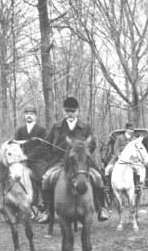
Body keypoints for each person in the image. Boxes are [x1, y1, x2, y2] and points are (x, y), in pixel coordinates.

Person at [41, 96, 108, 224]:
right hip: (60, 161)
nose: (70, 114)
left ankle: (101, 208)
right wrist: (51, 158)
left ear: (77, 111)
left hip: (81, 162)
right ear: (63, 111)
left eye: (73, 111)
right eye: (67, 111)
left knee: (98, 178)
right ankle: (47, 211)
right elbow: (46, 145)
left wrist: (84, 154)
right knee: (45, 179)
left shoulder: (85, 127)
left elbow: (92, 143)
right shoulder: (56, 127)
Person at [13, 105, 49, 222]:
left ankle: (46, 209)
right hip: (22, 160)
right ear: (24, 115)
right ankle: (19, 207)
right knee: (15, 179)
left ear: (35, 116)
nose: (29, 116)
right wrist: (20, 156)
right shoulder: (20, 130)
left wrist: (29, 157)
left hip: (38, 160)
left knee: (43, 180)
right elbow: (16, 145)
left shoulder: (41, 130)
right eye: (27, 113)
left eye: (31, 114)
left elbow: (43, 147)